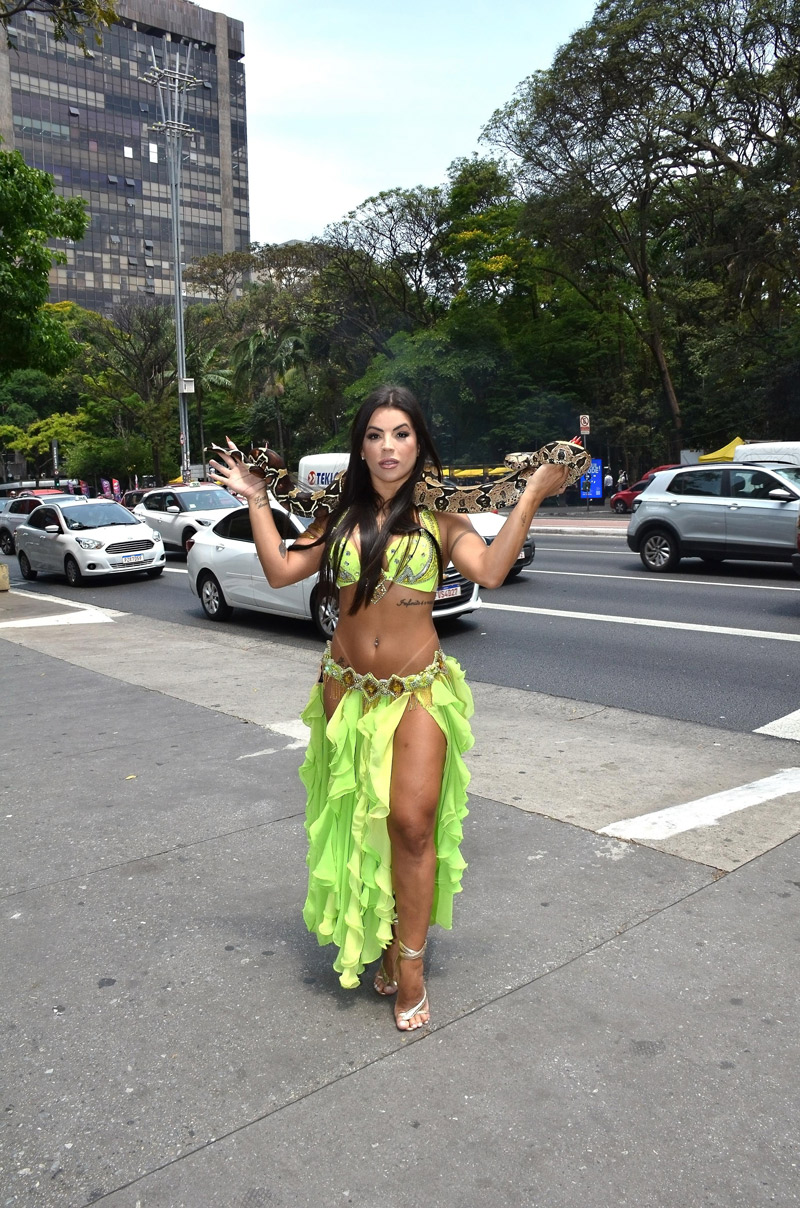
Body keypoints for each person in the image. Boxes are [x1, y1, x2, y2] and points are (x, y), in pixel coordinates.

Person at [208, 384, 569, 1031]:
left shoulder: (442, 518)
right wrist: (259, 500)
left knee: (409, 824)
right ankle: (378, 937)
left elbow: (488, 570)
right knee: (360, 825)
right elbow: (281, 572)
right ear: (361, 447)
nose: (387, 446)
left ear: (419, 443)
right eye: (375, 435)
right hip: (346, 690)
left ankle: (410, 966)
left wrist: (533, 495)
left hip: (417, 692)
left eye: (400, 433)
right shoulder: (340, 516)